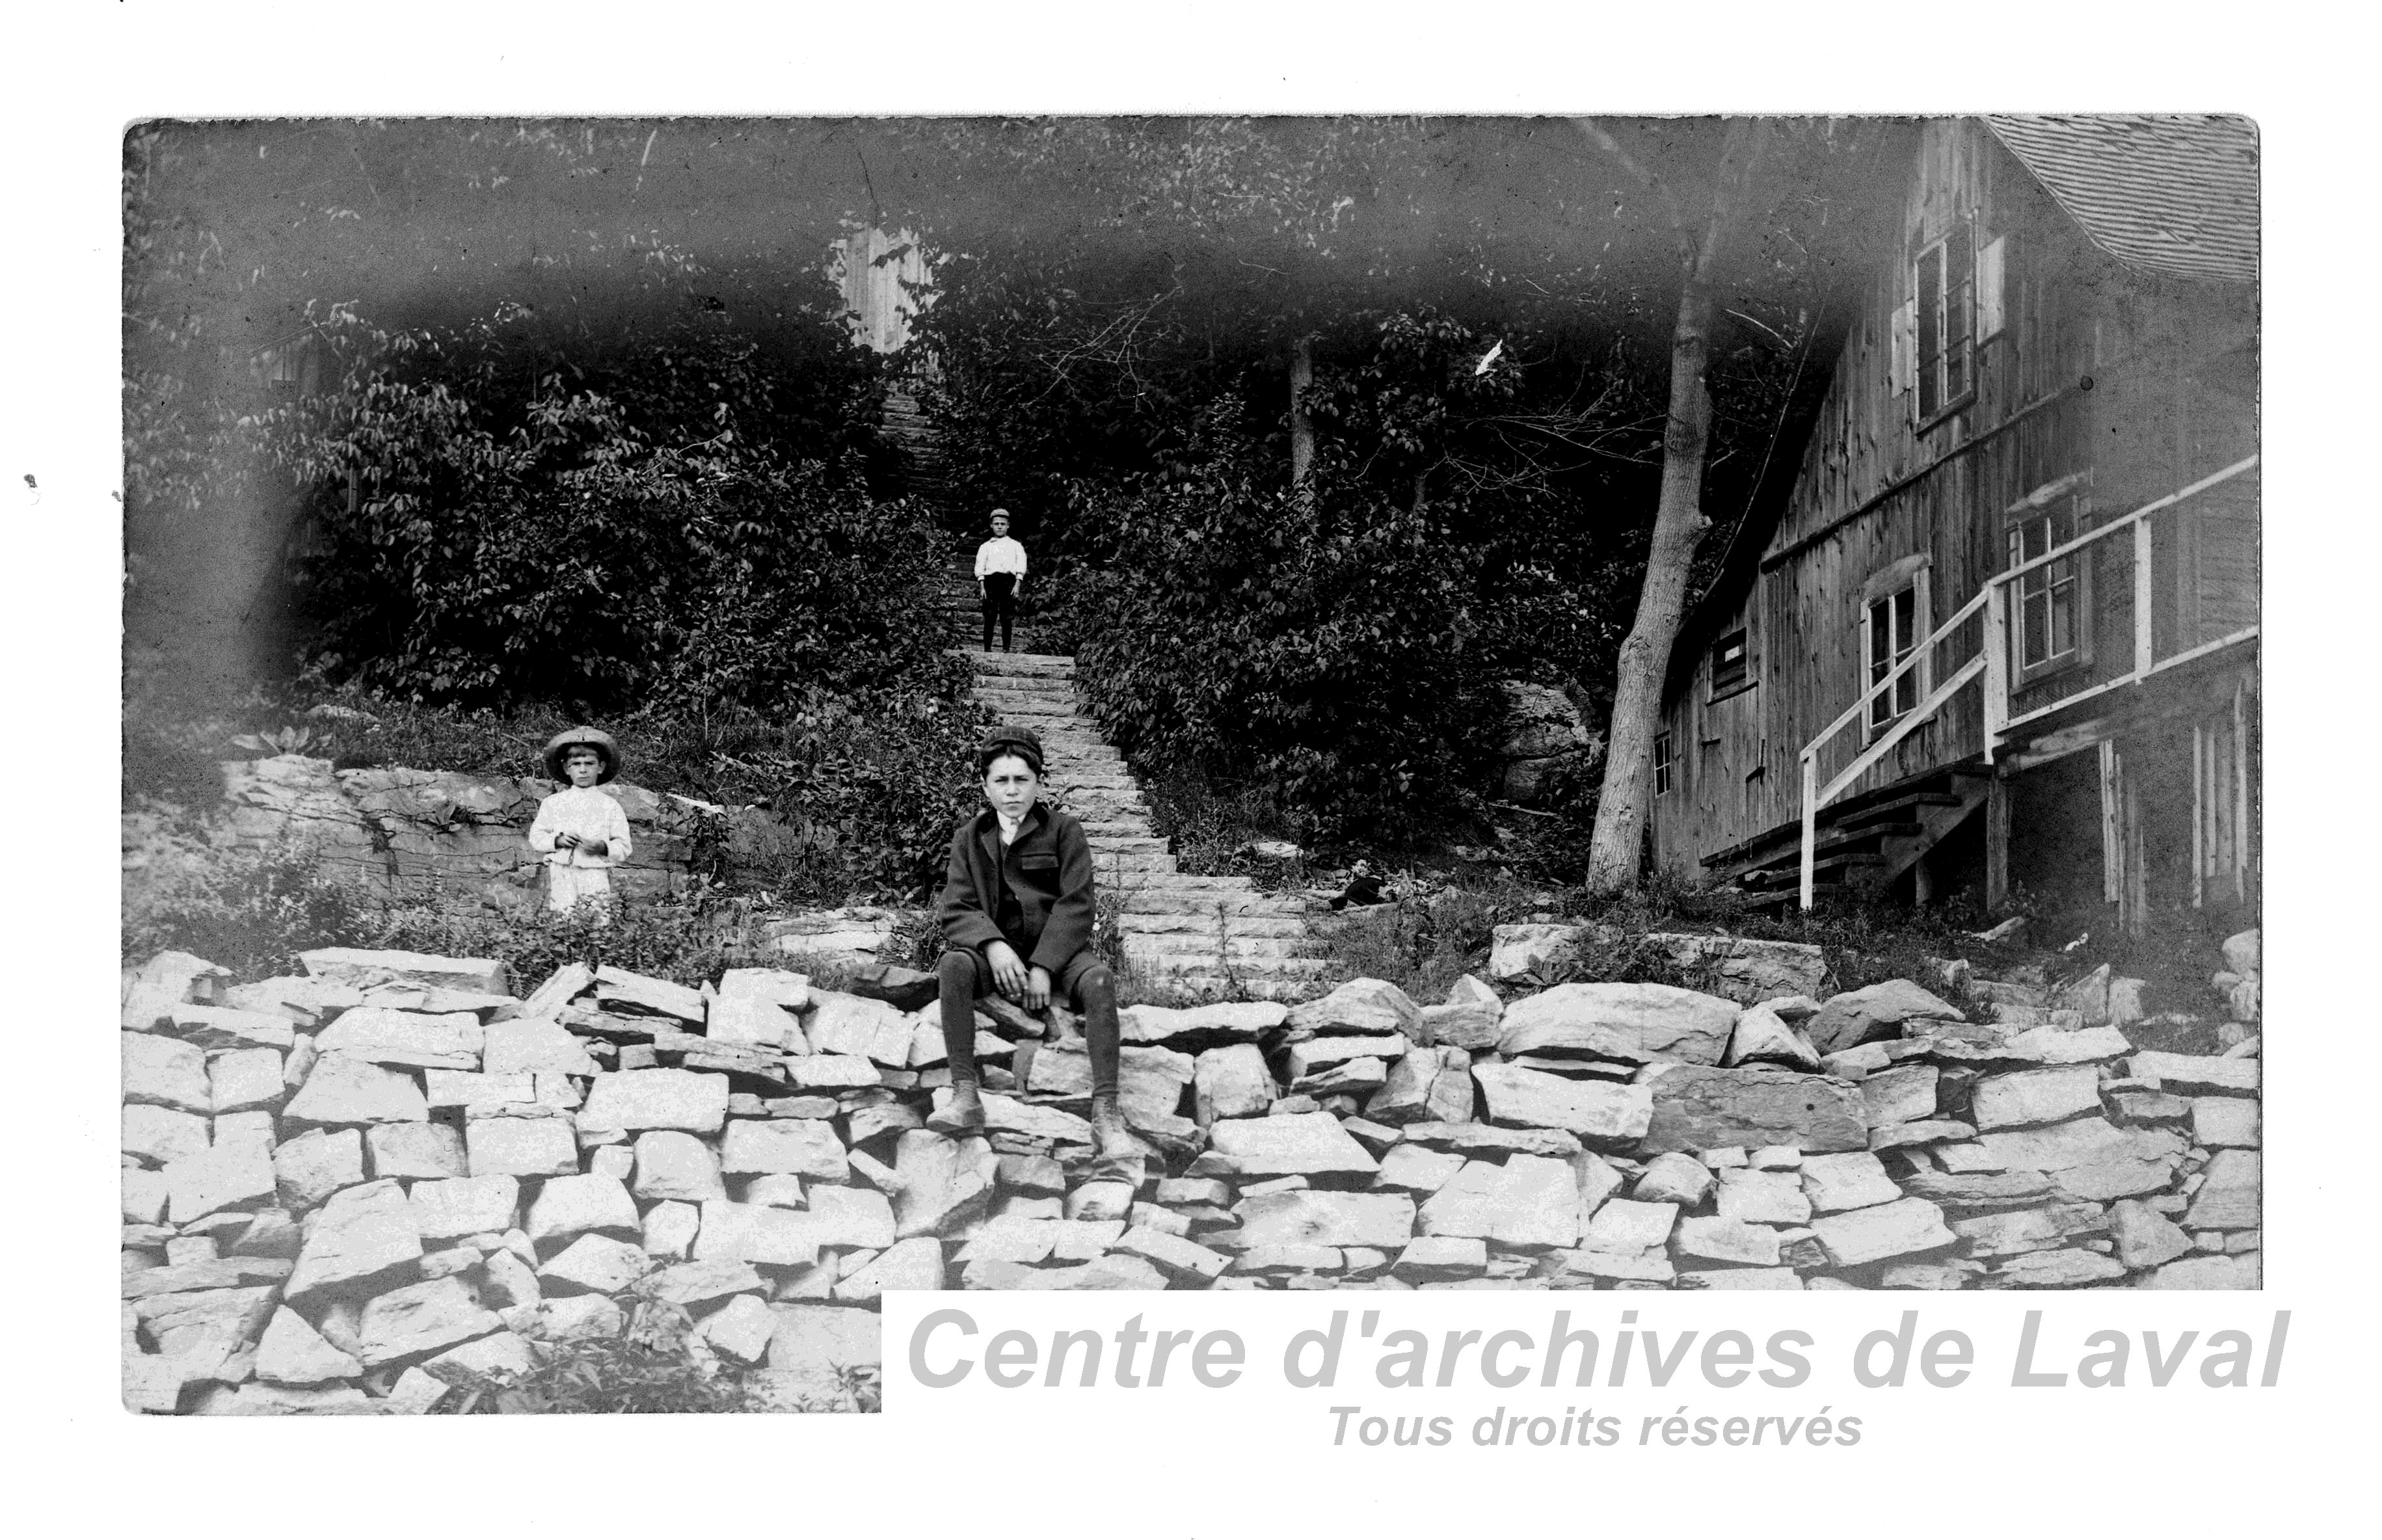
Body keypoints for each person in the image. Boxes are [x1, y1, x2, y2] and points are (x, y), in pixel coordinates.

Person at [928, 724, 1131, 1158]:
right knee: (954, 967)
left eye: (1022, 780)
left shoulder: (1064, 831)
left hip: (1059, 956)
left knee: (1098, 981)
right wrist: (993, 946)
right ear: (985, 786)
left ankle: (1106, 1112)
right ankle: (965, 1094)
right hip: (996, 956)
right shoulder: (969, 839)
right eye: (1001, 781)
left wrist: (1044, 965)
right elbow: (956, 907)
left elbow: (1077, 905)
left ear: (1038, 782)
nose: (1012, 791)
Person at [528, 726, 633, 918]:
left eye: (590, 763)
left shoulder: (610, 806)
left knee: (596, 922)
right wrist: (558, 841)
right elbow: (536, 837)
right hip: (562, 872)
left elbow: (624, 847)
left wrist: (602, 847)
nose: (583, 770)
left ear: (601, 767)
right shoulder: (553, 803)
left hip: (595, 873)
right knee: (563, 922)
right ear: (567, 768)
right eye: (576, 764)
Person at [973, 507, 1027, 653]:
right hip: (990, 582)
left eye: (1003, 524)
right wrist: (982, 587)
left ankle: (1006, 648)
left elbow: (1021, 566)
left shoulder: (1016, 546)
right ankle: (987, 649)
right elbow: (980, 567)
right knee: (990, 616)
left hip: (1008, 582)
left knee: (1006, 616)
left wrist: (1017, 585)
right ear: (991, 525)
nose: (999, 527)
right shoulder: (985, 547)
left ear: (1008, 525)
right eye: (996, 524)